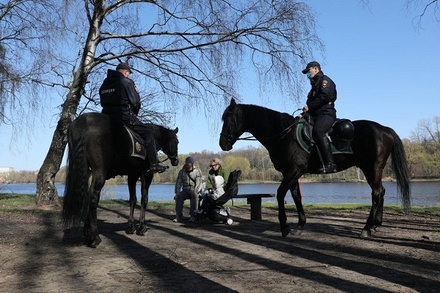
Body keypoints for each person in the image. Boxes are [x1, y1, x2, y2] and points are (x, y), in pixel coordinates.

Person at [99, 62, 167, 174]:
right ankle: (154, 164)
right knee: (148, 133)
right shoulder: (127, 82)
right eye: (128, 73)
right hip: (123, 116)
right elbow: (135, 102)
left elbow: (102, 101)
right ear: (126, 72)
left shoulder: (104, 84)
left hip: (105, 115)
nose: (128, 75)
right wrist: (134, 114)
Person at [301, 61, 337, 174]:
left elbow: (324, 97)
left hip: (326, 113)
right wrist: (303, 114)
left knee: (318, 131)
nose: (307, 74)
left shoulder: (325, 81)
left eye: (308, 71)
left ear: (316, 69)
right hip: (315, 115)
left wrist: (309, 107)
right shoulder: (314, 86)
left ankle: (330, 164)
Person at [173, 157, 203, 223]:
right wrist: (177, 192)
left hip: (194, 190)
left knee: (194, 196)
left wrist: (196, 191)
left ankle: (193, 216)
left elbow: (199, 183)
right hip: (185, 190)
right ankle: (178, 216)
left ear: (192, 163)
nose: (187, 164)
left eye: (188, 162)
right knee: (179, 196)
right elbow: (178, 182)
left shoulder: (197, 171)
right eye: (186, 162)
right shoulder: (182, 172)